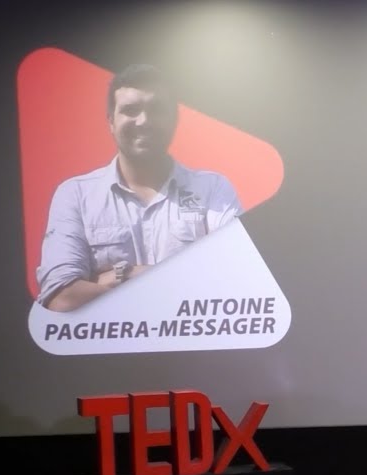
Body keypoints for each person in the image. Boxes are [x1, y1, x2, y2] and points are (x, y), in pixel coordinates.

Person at [35, 64, 242, 312]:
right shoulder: (76, 195)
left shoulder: (212, 190)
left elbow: (238, 279)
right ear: (111, 122)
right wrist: (183, 283)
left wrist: (125, 275)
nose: (144, 121)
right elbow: (62, 298)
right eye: (130, 110)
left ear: (174, 120)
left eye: (156, 110)